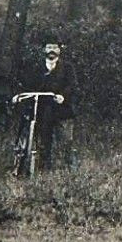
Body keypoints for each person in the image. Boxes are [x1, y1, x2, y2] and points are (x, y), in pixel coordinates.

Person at [15, 36, 77, 173]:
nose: (52, 51)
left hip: (62, 110)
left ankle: (71, 170)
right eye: (49, 47)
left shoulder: (67, 67)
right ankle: (43, 169)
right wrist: (19, 95)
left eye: (55, 47)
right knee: (43, 141)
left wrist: (62, 95)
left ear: (60, 50)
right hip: (43, 110)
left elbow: (72, 85)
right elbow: (27, 84)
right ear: (44, 49)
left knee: (66, 141)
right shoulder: (37, 67)